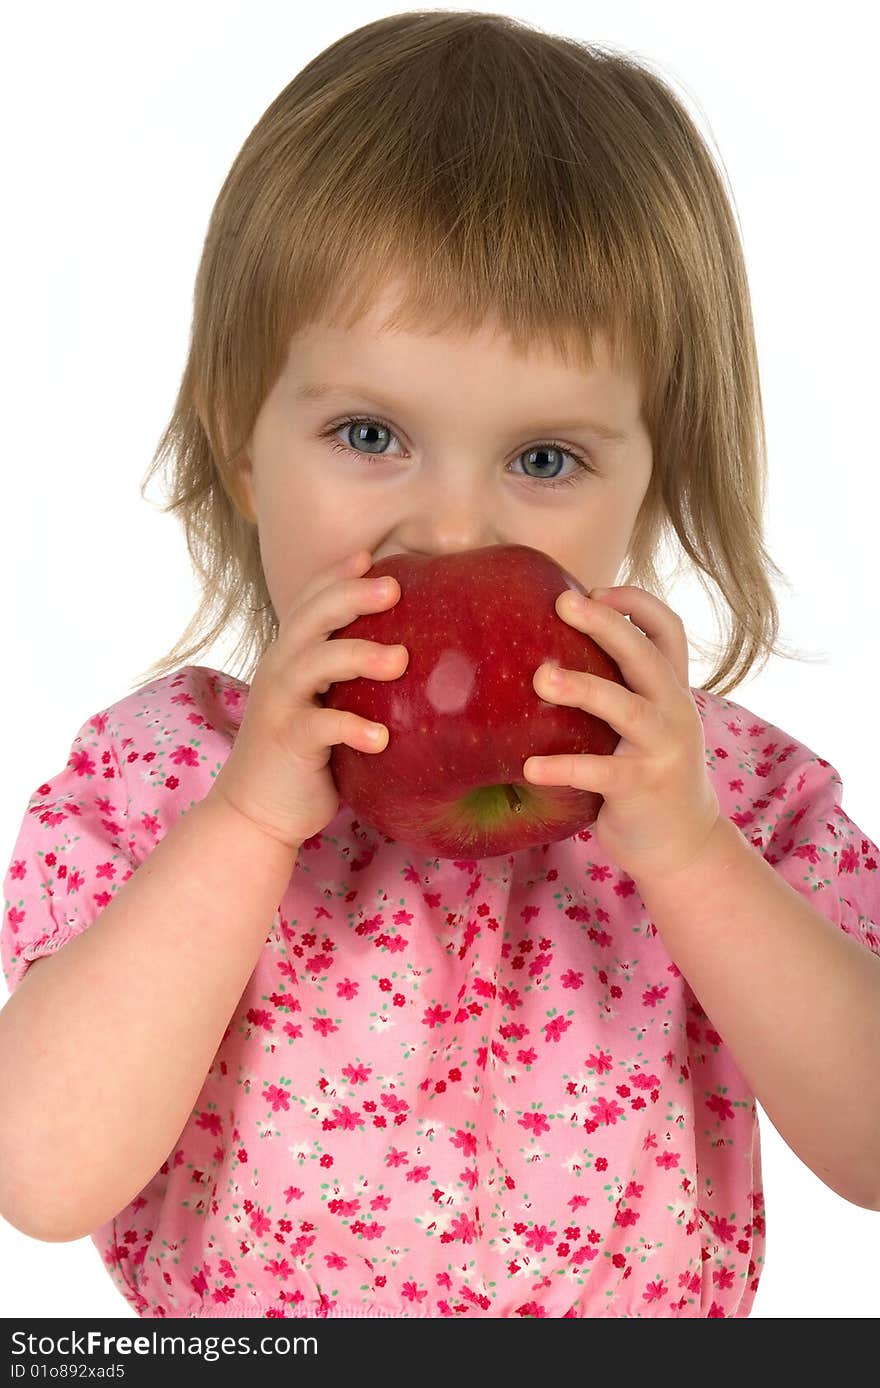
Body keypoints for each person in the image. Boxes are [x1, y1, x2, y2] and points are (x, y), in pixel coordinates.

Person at [1, 11, 878, 1321]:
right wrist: (246, 822)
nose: (454, 531)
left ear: (654, 479)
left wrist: (689, 852)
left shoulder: (729, 793)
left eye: (543, 460)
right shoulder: (162, 779)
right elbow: (43, 1174)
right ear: (242, 449)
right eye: (371, 432)